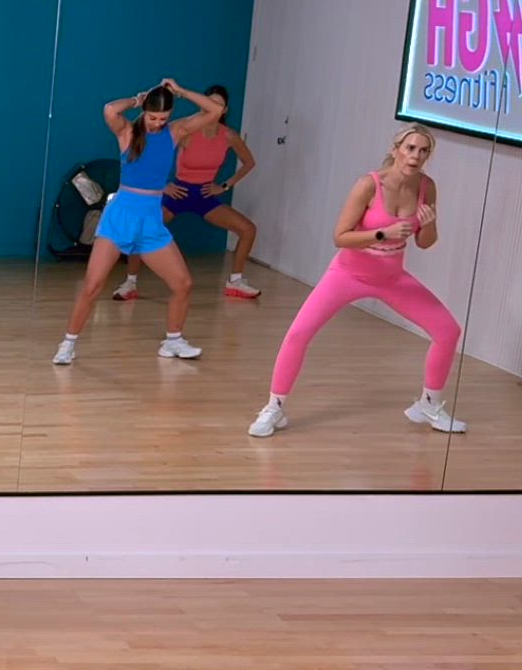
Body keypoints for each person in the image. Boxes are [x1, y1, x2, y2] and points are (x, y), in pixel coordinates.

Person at [249, 124, 465, 438]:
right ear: (396, 149)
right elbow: (340, 237)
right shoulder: (369, 184)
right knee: (298, 333)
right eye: (410, 148)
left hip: (391, 278)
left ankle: (428, 405)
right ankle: (274, 408)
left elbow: (425, 242)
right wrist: (383, 233)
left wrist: (429, 225)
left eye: (423, 151)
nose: (415, 156)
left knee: (448, 331)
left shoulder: (426, 187)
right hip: (347, 274)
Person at [52, 79, 225, 365]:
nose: (158, 123)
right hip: (120, 217)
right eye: (153, 117)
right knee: (93, 285)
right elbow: (110, 110)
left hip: (150, 220)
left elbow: (215, 110)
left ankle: (172, 341)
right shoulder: (128, 132)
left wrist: (181, 92)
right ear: (145, 111)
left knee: (183, 283)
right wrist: (137, 99)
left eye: (163, 118)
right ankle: (68, 344)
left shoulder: (175, 131)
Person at [113, 84, 262, 301]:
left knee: (248, 229)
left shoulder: (229, 136)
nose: (212, 107)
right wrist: (164, 185)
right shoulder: (186, 131)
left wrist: (224, 186)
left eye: (218, 104)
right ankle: (130, 283)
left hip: (204, 196)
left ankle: (235, 281)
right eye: (209, 102)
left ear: (225, 110)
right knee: (141, 231)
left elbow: (249, 162)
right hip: (179, 193)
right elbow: (151, 155)